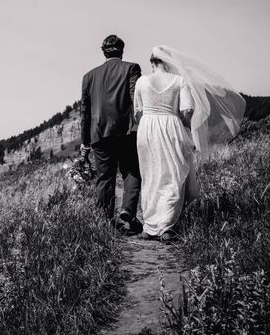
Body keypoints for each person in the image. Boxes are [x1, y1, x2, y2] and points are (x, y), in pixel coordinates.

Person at [134, 45, 246, 242]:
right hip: (171, 126)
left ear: (152, 62)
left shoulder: (142, 81)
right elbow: (187, 111)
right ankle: (166, 227)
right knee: (173, 174)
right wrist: (185, 128)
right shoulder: (179, 80)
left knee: (150, 175)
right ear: (168, 62)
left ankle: (150, 226)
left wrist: (149, 120)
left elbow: (138, 113)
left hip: (147, 129)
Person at [80, 35, 143, 234]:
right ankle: (127, 211)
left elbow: (85, 112)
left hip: (98, 132)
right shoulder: (132, 68)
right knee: (131, 171)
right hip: (126, 131)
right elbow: (136, 99)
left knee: (104, 178)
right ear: (121, 51)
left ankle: (105, 223)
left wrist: (85, 141)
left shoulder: (88, 76)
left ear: (103, 52)